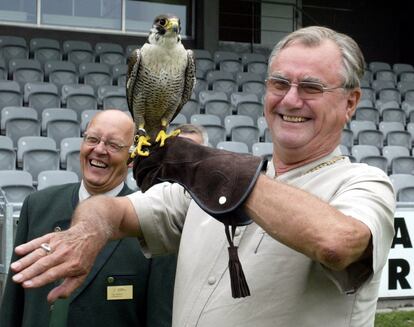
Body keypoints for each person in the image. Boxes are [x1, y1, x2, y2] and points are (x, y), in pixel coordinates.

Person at [9, 26, 396, 327]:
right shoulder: (204, 184)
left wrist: (215, 169)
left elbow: (337, 242)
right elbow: (114, 211)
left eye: (310, 87)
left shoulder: (364, 183)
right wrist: (87, 231)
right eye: (279, 83)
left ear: (350, 102)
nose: (290, 99)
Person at [0, 110, 173, 327]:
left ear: (132, 158)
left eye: (113, 145)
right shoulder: (38, 206)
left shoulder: (151, 218)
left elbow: (159, 317)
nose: (99, 149)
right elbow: (12, 308)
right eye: (92, 139)